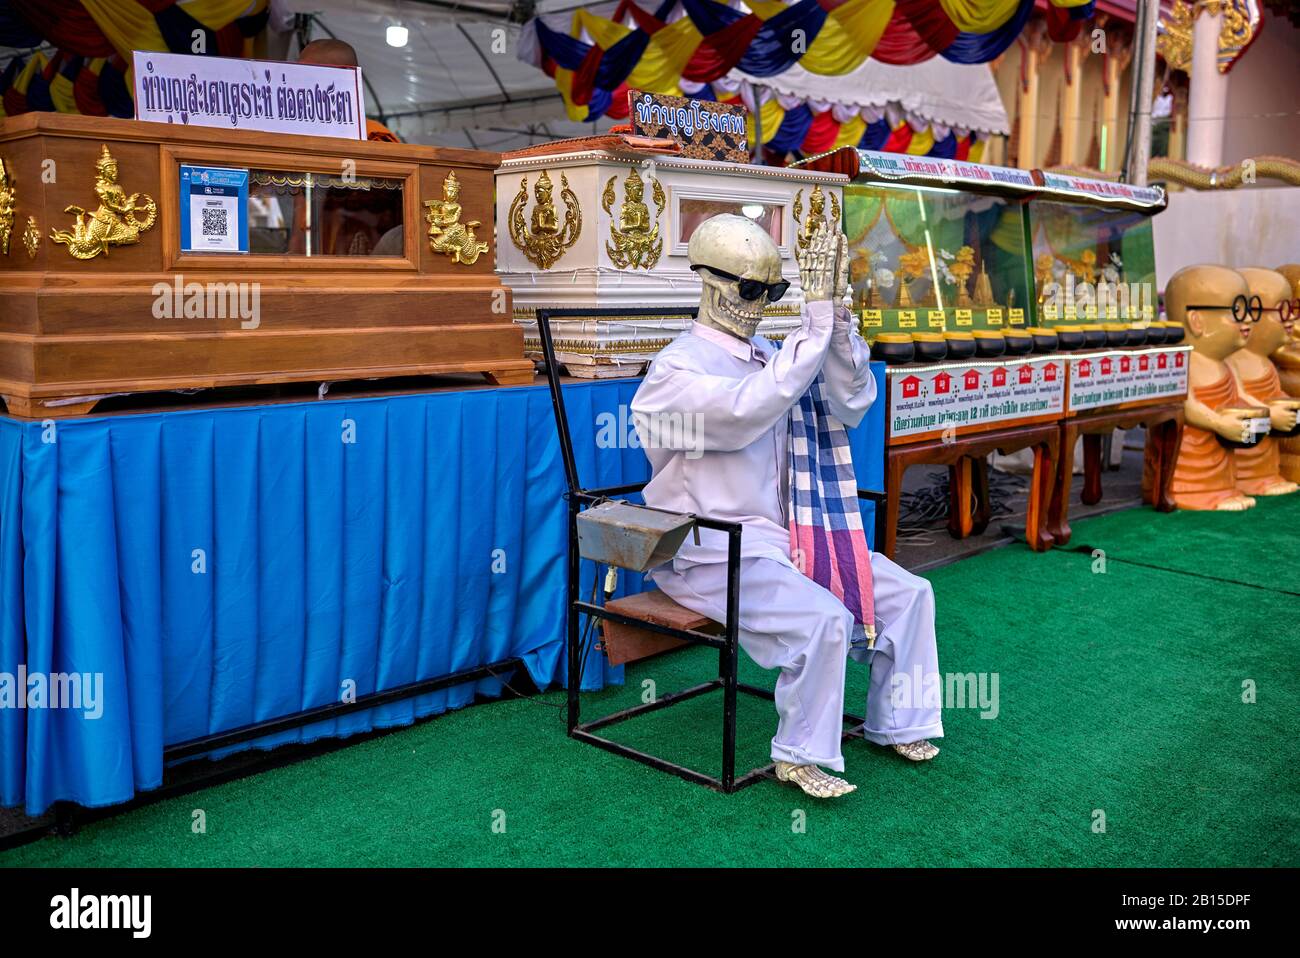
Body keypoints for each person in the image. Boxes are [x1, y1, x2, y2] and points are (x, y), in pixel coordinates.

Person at [630, 214, 943, 800]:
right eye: (749, 289)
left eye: (773, 292)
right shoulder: (675, 371)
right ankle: (800, 753)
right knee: (821, 620)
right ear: (706, 279)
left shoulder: (774, 354)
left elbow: (850, 402)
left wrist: (838, 324)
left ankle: (900, 719)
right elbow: (745, 411)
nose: (759, 304)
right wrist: (812, 328)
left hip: (795, 536)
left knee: (910, 595)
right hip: (713, 551)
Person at [297, 39, 399, 142]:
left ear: (349, 82)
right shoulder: (286, 129)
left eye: (314, 77)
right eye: (299, 74)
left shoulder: (374, 136)